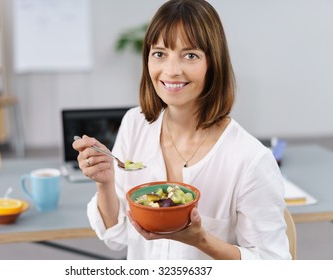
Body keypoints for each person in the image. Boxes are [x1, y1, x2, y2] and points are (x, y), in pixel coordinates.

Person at [73, 0, 290, 260]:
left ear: (214, 63)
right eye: (160, 54)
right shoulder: (135, 124)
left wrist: (201, 240)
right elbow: (117, 236)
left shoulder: (250, 159)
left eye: (190, 55)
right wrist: (105, 183)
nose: (172, 71)